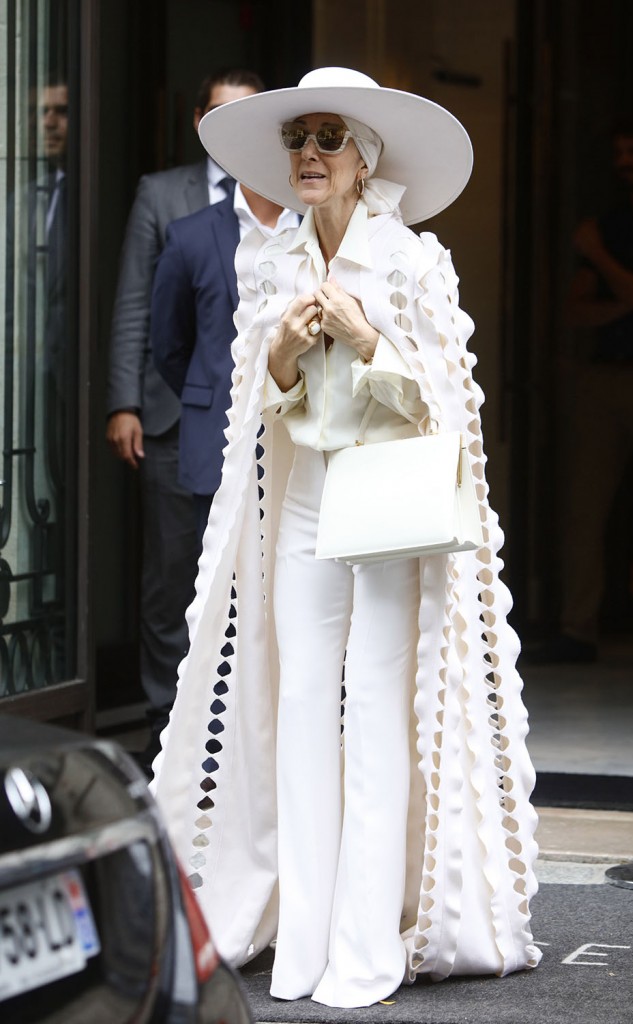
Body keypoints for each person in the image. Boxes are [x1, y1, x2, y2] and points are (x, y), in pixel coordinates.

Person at [150, 67, 540, 1008]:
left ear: (364, 162)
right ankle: (304, 944)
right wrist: (284, 347)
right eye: (298, 140)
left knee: (373, 716)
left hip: (389, 503)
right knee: (298, 718)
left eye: (328, 139)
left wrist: (367, 338)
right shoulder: (270, 260)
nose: (309, 155)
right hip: (307, 501)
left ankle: (365, 947)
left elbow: (441, 408)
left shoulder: (412, 262)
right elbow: (261, 400)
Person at [105, 68, 265, 772]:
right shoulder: (162, 194)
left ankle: (234, 734)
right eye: (220, 117)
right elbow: (140, 307)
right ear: (199, 120)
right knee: (172, 581)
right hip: (175, 420)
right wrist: (127, 401)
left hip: (265, 426)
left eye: (247, 118)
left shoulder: (291, 204)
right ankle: (164, 726)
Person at [529, 122, 633, 663]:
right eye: (619, 151)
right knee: (583, 508)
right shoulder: (610, 220)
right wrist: (630, 291)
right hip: (603, 376)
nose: (626, 160)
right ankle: (578, 629)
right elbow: (576, 309)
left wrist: (603, 260)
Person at [150, 181, 300, 541]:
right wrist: (218, 388)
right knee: (224, 586)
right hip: (218, 435)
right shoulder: (190, 236)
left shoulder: (320, 227)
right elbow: (168, 346)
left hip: (303, 440)